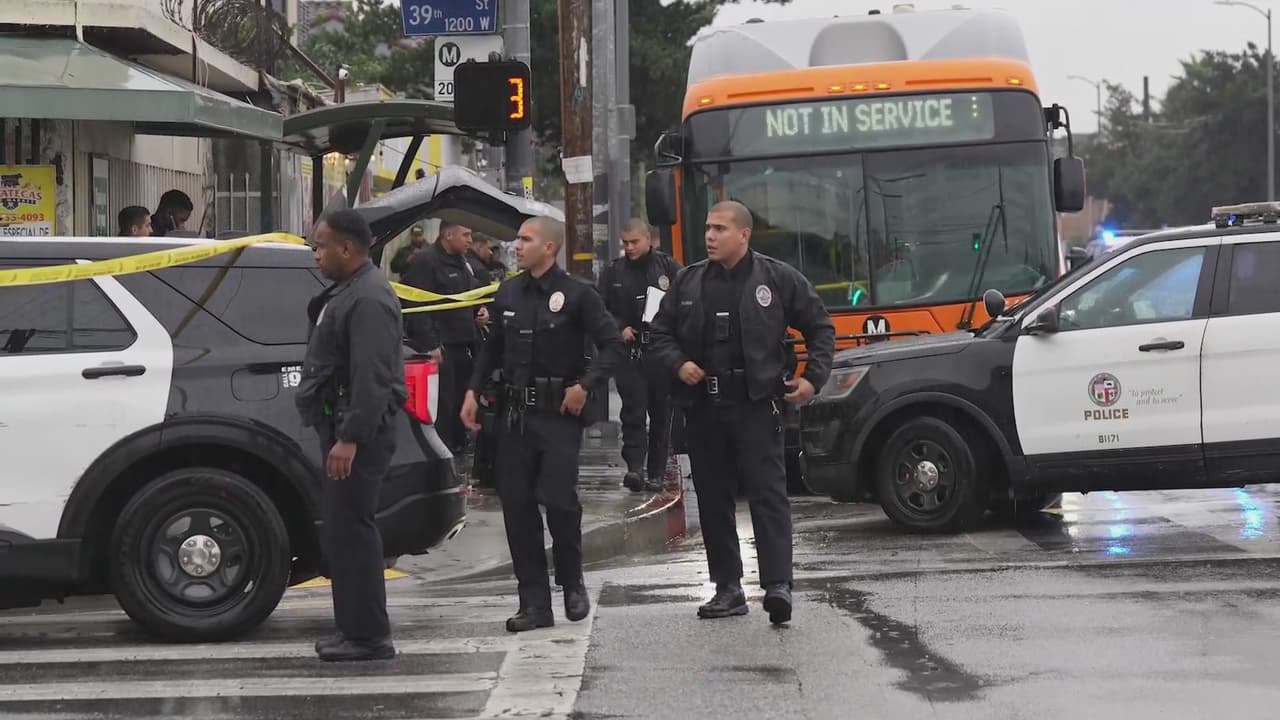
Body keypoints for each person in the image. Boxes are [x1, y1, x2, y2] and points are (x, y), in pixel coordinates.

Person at [648, 200, 834, 626]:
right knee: (713, 502)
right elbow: (658, 334)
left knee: (768, 498)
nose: (710, 236)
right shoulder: (688, 282)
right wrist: (678, 363)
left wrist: (812, 379)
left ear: (743, 235)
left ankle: (777, 586)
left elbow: (820, 326)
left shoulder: (776, 278)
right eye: (708, 228)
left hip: (756, 406)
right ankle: (728, 589)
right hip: (705, 407)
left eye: (720, 229)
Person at [460, 216, 624, 632]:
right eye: (518, 238)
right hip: (515, 416)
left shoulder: (577, 294)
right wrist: (472, 392)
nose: (517, 245)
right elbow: (492, 348)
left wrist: (586, 386)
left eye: (526, 239)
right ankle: (534, 603)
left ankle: (572, 582)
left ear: (549, 248)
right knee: (517, 509)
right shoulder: (509, 291)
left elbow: (610, 345)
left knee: (559, 501)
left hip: (558, 416)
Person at [295, 209, 406, 662]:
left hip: (358, 434)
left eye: (320, 246)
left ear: (347, 248)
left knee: (355, 532)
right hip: (341, 426)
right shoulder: (349, 291)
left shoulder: (370, 298)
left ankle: (368, 637)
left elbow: (371, 378)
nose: (315, 255)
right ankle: (353, 629)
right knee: (343, 532)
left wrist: (351, 437)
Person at [597, 218, 682, 492]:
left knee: (661, 414)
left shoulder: (668, 268)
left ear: (649, 239)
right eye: (626, 243)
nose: (630, 248)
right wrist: (619, 328)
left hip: (660, 350)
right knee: (633, 412)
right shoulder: (613, 273)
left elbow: (686, 302)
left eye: (635, 242)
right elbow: (600, 310)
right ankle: (634, 468)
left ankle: (656, 473)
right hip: (629, 352)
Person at [401, 221, 488, 454]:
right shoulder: (426, 261)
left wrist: (479, 312)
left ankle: (459, 448)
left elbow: (468, 294)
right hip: (441, 348)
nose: (470, 240)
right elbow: (417, 304)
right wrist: (430, 344)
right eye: (465, 234)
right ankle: (443, 454)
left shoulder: (463, 262)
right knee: (443, 405)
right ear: (448, 235)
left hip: (464, 345)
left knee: (461, 401)